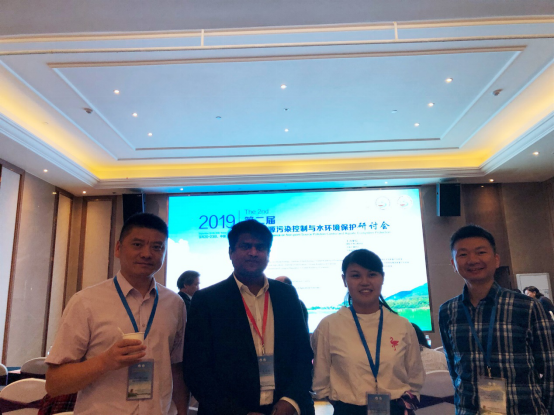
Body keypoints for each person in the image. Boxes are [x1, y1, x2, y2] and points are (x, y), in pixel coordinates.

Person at [45, 213, 189, 415]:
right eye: (137, 244)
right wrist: (104, 362)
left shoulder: (175, 304)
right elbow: (54, 384)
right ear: (118, 248)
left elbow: (177, 370)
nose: (147, 254)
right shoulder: (85, 302)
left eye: (157, 247)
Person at [183, 219, 314, 415]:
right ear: (230, 252)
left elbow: (303, 354)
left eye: (260, 247)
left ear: (268, 253)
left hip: (283, 409)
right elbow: (196, 368)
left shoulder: (286, 295)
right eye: (245, 246)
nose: (253, 252)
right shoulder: (207, 300)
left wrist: (290, 401)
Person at [439, 224, 554, 415]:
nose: (472, 260)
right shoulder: (447, 311)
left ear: (496, 259)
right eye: (463, 254)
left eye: (481, 252)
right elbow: (453, 368)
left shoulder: (527, 306)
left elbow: (550, 366)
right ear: (453, 264)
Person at [312, 249, 424, 415]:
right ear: (344, 280)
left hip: (395, 409)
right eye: (356, 275)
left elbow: (415, 377)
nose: (365, 282)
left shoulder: (402, 325)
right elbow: (321, 383)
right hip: (348, 410)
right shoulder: (328, 326)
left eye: (372, 275)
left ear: (382, 278)